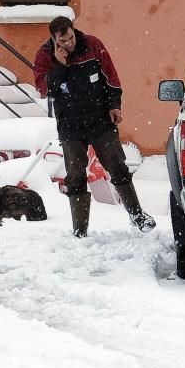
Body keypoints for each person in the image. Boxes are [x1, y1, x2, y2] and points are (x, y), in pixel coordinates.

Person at [32, 16, 157, 237]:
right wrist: (59, 66)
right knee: (76, 176)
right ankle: (80, 231)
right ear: (54, 39)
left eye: (70, 37)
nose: (69, 43)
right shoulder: (44, 56)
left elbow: (111, 77)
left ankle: (138, 216)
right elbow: (44, 90)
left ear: (73, 30)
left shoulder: (92, 45)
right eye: (63, 41)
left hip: (99, 118)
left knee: (118, 168)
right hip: (70, 124)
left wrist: (114, 105)